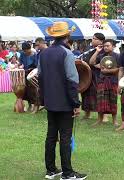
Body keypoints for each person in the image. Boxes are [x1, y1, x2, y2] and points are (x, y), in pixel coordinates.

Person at [39, 21, 87, 180]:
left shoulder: (43, 53)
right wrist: (76, 103)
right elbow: (72, 81)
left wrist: (43, 99)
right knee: (65, 138)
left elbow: (40, 78)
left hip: (50, 102)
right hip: (65, 102)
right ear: (67, 36)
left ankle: (51, 170)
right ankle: (67, 173)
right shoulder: (67, 53)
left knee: (51, 136)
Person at [89, 39, 119, 127]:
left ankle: (114, 121)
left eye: (108, 46)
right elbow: (91, 62)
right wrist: (97, 51)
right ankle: (99, 120)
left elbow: (119, 68)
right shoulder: (101, 55)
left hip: (113, 80)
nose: (105, 47)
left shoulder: (117, 56)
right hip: (102, 80)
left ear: (113, 46)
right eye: (104, 46)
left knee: (113, 100)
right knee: (100, 100)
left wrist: (107, 71)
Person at [81, 33, 105, 120]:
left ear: (101, 41)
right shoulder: (89, 49)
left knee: (98, 95)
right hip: (87, 74)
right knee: (86, 94)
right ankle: (87, 113)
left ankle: (103, 115)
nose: (93, 40)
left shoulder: (103, 50)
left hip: (98, 75)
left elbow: (102, 62)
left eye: (95, 39)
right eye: (93, 38)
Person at [19, 42, 39, 113]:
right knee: (26, 90)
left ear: (29, 49)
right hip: (24, 74)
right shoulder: (22, 54)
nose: (25, 52)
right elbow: (20, 62)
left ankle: (35, 105)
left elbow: (37, 66)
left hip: (32, 75)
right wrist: (20, 65)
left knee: (33, 91)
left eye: (26, 50)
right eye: (24, 51)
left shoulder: (34, 55)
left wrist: (31, 70)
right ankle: (29, 105)